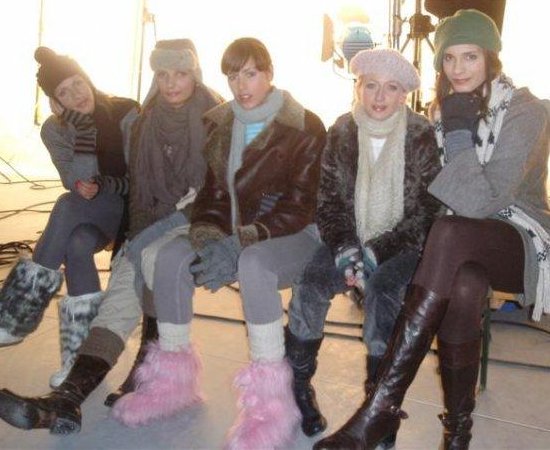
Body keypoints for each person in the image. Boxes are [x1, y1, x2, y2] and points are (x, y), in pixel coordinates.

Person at [313, 9, 550, 450]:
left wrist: (457, 130)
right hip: (461, 244)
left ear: (491, 58)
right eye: (449, 58)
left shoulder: (525, 111)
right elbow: (434, 195)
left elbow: (481, 203)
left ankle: (379, 407)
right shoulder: (444, 109)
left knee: (450, 232)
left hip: (519, 236)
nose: (458, 69)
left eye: (470, 56)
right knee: (463, 286)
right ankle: (457, 435)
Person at [109, 37, 326, 449]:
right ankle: (172, 385)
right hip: (233, 229)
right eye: (233, 76)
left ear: (269, 73)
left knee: (253, 264)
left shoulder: (304, 125)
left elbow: (300, 206)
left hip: (292, 234)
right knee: (170, 256)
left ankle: (270, 409)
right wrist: (209, 235)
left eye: (251, 74)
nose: (241, 85)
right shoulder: (222, 121)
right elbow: (212, 193)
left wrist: (240, 243)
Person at [0, 38, 223, 435]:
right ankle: (68, 389)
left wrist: (136, 225)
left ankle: (21, 316)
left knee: (147, 259)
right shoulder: (92, 126)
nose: (171, 83)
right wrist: (85, 137)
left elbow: (183, 189)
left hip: (162, 217)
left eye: (180, 73)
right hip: (124, 215)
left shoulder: (152, 115)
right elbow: (90, 183)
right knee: (93, 264)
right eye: (162, 74)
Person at [285, 48, 442, 449]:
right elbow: (329, 204)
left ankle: (380, 408)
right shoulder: (341, 131)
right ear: (358, 87)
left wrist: (374, 254)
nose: (379, 96)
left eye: (390, 88)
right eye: (371, 85)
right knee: (310, 284)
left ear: (404, 94)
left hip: (403, 242)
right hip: (347, 237)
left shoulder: (420, 134)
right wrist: (346, 251)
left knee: (384, 292)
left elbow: (426, 212)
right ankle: (299, 389)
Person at [0, 47, 138, 388]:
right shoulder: (55, 130)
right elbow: (75, 182)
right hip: (91, 212)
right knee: (76, 242)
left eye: (78, 83)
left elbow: (142, 178)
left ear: (86, 78)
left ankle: (17, 314)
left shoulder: (126, 112)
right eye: (64, 92)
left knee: (65, 206)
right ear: (55, 102)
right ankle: (79, 357)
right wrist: (83, 132)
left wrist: (104, 184)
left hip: (129, 210)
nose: (77, 94)